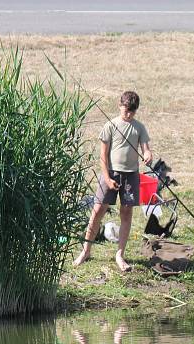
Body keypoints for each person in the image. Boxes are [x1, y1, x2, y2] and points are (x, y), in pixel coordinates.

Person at [73, 91, 152, 272]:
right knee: (98, 210)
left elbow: (146, 148)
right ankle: (86, 250)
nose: (129, 114)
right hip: (110, 173)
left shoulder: (139, 127)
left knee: (126, 213)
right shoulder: (110, 125)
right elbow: (102, 156)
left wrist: (147, 154)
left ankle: (120, 255)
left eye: (132, 111)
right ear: (120, 106)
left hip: (131, 175)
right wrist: (107, 179)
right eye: (126, 110)